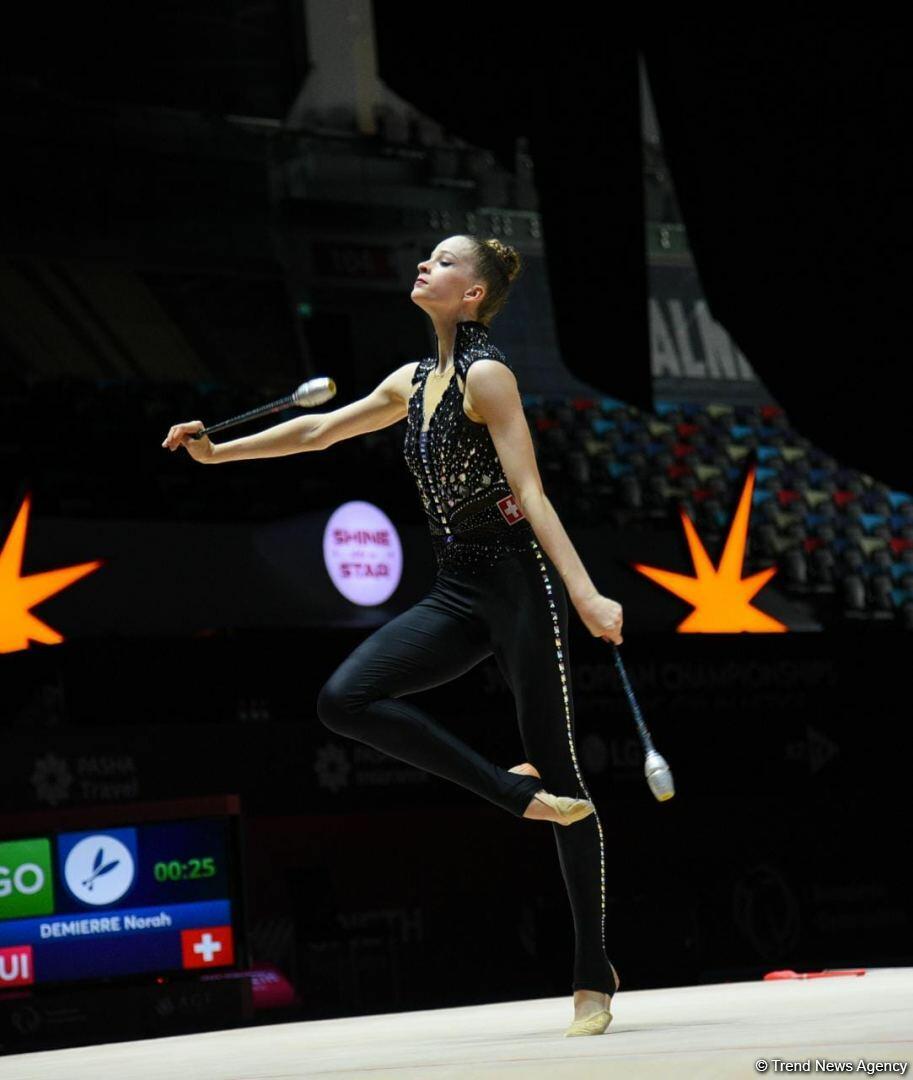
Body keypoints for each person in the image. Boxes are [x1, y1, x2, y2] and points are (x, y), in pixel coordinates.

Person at [161, 234, 624, 1036]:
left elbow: (529, 491)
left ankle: (592, 976)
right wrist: (216, 455)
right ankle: (510, 792)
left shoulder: (488, 375)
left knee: (565, 778)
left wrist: (584, 592)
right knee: (345, 699)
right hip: (456, 589)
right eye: (427, 258)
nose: (423, 266)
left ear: (472, 294)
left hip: (517, 589)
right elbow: (316, 432)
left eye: (443, 262)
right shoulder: (410, 381)